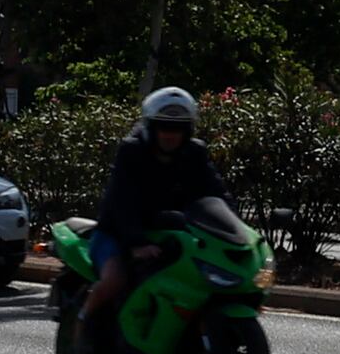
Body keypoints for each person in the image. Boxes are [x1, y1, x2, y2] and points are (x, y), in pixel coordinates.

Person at [78, 87, 232, 336]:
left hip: (170, 234)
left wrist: (237, 230)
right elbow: (121, 201)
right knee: (115, 279)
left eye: (178, 128)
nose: (170, 135)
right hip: (117, 233)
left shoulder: (195, 153)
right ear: (151, 126)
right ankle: (82, 326)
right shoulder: (131, 151)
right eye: (164, 127)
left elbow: (217, 193)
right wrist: (136, 242)